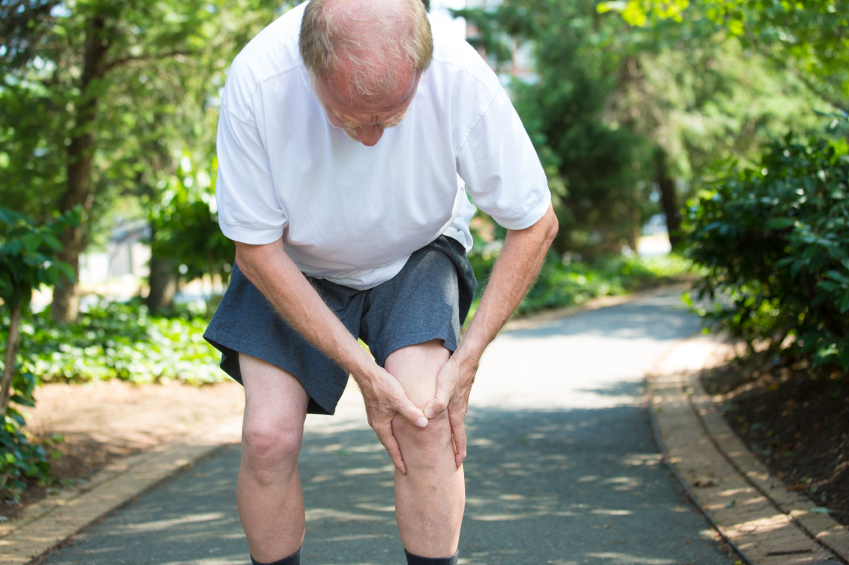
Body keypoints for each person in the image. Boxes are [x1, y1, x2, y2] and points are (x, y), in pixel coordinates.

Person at [203, 0, 558, 564]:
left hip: (416, 250)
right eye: (347, 116)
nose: (369, 140)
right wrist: (363, 371)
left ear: (421, 65)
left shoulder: (460, 76)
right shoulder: (259, 78)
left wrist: (468, 357)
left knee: (425, 420)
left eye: (391, 117)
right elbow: (256, 249)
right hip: (292, 264)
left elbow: (535, 222)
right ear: (310, 67)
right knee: (268, 440)